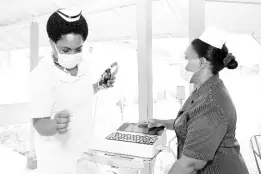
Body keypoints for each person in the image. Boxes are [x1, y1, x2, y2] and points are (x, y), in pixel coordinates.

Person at [141, 29, 249, 173]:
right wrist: (163, 123)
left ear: (202, 62)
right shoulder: (203, 90)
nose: (182, 64)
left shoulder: (211, 103)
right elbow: (192, 121)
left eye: (186, 58)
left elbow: (190, 164)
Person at [29, 8, 116, 174]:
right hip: (57, 160)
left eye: (78, 49)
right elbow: (39, 123)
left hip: (84, 151)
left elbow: (79, 94)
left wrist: (98, 86)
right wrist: (54, 124)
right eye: (65, 50)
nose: (73, 55)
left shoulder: (83, 65)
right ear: (51, 43)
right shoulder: (42, 75)